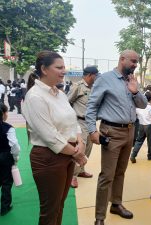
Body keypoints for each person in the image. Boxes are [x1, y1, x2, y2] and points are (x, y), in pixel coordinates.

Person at [22, 51, 87, 225]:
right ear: (44, 69)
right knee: (50, 211)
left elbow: (73, 122)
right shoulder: (35, 96)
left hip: (67, 155)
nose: (63, 71)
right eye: (59, 67)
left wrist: (80, 141)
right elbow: (50, 136)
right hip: (49, 157)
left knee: (59, 205)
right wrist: (77, 153)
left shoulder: (59, 94)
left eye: (64, 67)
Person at [85, 50, 147, 225]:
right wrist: (92, 130)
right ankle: (99, 217)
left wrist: (135, 91)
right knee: (107, 175)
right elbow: (91, 106)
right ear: (122, 59)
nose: (135, 65)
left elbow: (143, 104)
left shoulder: (132, 80)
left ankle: (116, 204)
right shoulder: (105, 79)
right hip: (111, 131)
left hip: (130, 131)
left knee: (120, 172)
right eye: (133, 61)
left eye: (137, 62)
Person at [68, 66, 98, 188]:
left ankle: (81, 170)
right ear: (90, 75)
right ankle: (73, 176)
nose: (97, 77)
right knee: (81, 148)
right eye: (96, 75)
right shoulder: (78, 86)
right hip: (80, 121)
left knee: (89, 147)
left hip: (91, 123)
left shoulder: (94, 88)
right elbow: (67, 102)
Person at [0, 103, 20, 216]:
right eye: (6, 112)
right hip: (5, 157)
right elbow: (15, 146)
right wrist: (15, 158)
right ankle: (5, 207)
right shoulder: (8, 128)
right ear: (2, 114)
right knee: (6, 182)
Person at [130, 91, 151, 163]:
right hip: (149, 126)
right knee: (150, 142)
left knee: (139, 141)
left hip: (141, 125)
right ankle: (150, 155)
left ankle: (133, 155)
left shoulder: (139, 107)